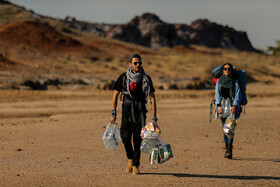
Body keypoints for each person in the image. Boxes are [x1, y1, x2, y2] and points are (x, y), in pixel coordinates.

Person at [110, 54, 157, 174]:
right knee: (125, 137)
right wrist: (113, 113)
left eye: (140, 63)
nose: (138, 65)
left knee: (138, 139)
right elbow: (115, 95)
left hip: (140, 112)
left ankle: (136, 164)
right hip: (126, 112)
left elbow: (152, 98)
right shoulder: (123, 77)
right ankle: (130, 158)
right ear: (130, 64)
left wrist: (154, 117)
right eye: (135, 63)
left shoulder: (146, 78)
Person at [215, 63, 241, 159]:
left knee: (230, 129)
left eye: (228, 69)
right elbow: (217, 94)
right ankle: (227, 149)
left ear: (231, 70)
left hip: (232, 107)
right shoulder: (219, 81)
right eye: (225, 69)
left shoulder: (235, 81)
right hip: (222, 107)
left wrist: (235, 106)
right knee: (224, 129)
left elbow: (238, 94)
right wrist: (218, 106)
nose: (226, 70)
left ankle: (229, 150)